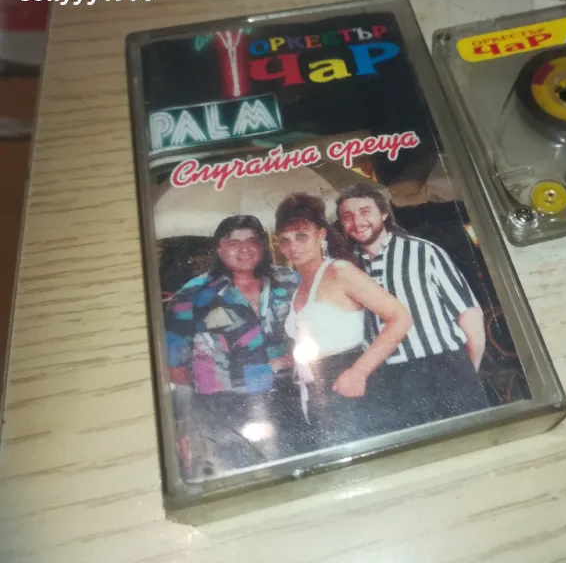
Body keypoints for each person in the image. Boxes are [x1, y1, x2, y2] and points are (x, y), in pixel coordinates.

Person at [335, 183, 490, 431]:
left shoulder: (423, 251)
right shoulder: (348, 268)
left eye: (365, 211)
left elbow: (470, 314)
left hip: (444, 368)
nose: (357, 221)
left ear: (383, 213)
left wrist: (467, 372)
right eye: (348, 216)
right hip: (388, 380)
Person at [164, 215, 309, 479]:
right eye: (233, 242)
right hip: (228, 411)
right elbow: (174, 366)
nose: (244, 249)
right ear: (219, 249)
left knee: (301, 472)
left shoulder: (290, 281)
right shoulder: (193, 295)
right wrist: (193, 417)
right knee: (246, 480)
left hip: (292, 398)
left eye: (252, 241)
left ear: (262, 245)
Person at [274, 192, 412, 446]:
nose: (292, 246)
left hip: (350, 386)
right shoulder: (299, 285)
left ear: (321, 235)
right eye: (285, 240)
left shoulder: (340, 272)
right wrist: (286, 360)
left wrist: (359, 371)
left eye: (302, 236)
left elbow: (400, 317)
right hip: (313, 392)